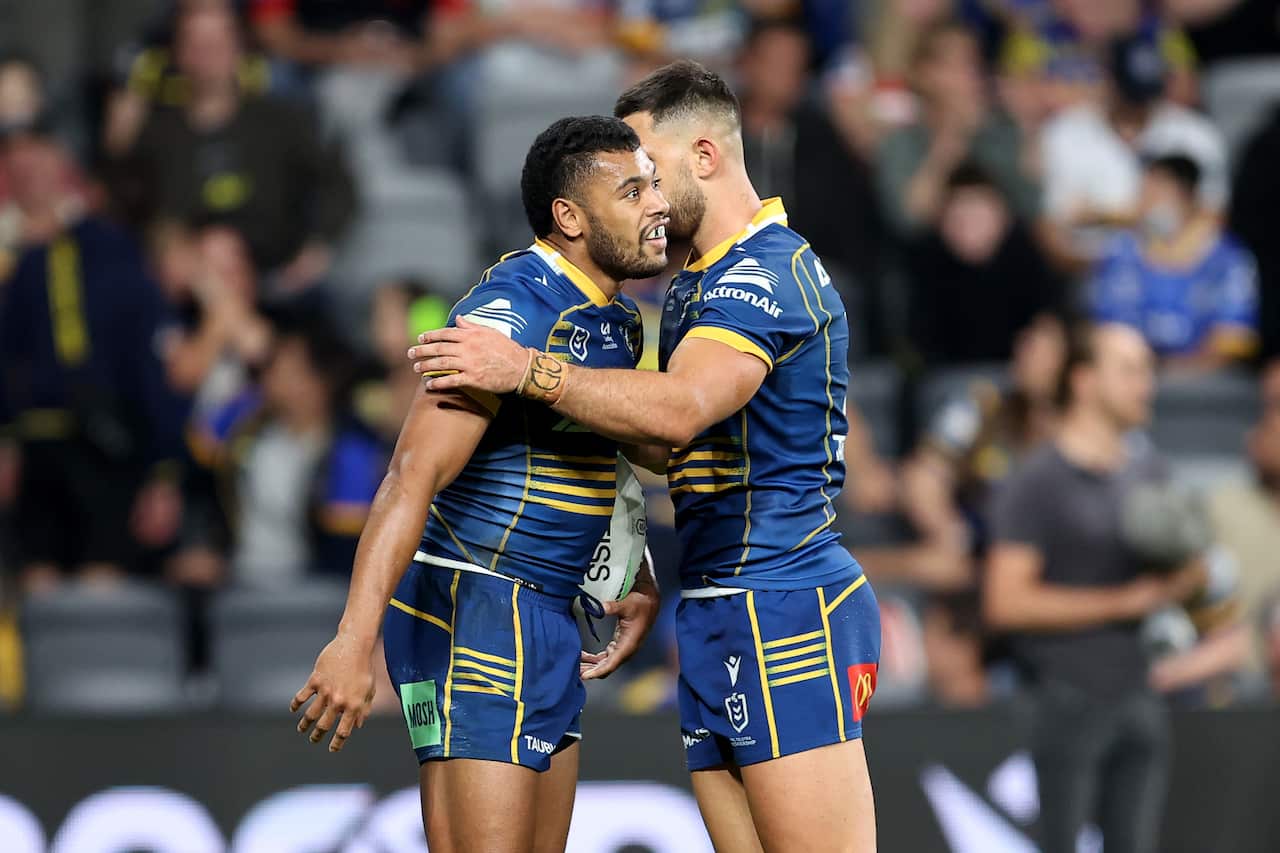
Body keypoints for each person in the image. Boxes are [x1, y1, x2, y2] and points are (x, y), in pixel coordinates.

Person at [412, 61, 881, 852]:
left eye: (649, 171)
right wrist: (629, 560)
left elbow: (680, 411)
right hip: (718, 602)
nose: (648, 198)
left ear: (704, 156)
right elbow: (673, 449)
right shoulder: (703, 279)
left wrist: (524, 369)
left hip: (785, 597)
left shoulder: (763, 274)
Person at [291, 115, 667, 852]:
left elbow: (605, 455)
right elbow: (409, 477)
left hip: (549, 614)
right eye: (632, 190)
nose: (656, 202)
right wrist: (352, 639)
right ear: (571, 218)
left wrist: (636, 569)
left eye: (652, 184)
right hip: (477, 613)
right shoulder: (508, 312)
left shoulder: (616, 321)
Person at [984, 323, 1208, 853]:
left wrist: (1191, 577)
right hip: (1064, 699)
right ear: (1083, 381)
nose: (1146, 384)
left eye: (1149, 371)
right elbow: (1005, 600)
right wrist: (1127, 601)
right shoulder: (1037, 480)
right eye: (1130, 370)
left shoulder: (1151, 471)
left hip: (1141, 693)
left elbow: (1192, 577)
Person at [0, 127, 186, 593]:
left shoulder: (112, 251)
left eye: (39, 169)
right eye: (18, 173)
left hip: (106, 442)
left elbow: (147, 365)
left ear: (66, 172)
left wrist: (162, 471)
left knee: (100, 588)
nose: (31, 183)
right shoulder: (18, 265)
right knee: (37, 589)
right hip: (37, 442)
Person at [112, 3, 355, 290]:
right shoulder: (156, 133)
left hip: (279, 284)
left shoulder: (282, 120)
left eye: (218, 41)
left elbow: (339, 184)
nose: (207, 54)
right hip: (193, 291)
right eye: (195, 42)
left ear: (240, 47)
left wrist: (317, 249)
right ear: (178, 51)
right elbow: (134, 207)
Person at [1089, 154, 1258, 370]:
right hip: (1130, 373)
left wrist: (1176, 371)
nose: (1146, 203)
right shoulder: (1122, 251)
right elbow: (1107, 329)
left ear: (1188, 195)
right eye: (1145, 192)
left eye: (1158, 192)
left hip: (1204, 385)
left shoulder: (1228, 257)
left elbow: (1233, 339)